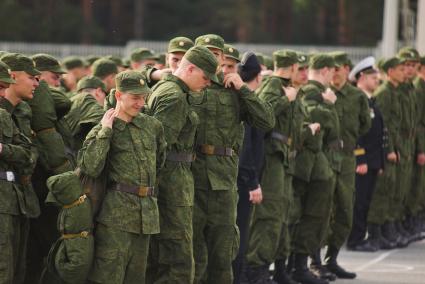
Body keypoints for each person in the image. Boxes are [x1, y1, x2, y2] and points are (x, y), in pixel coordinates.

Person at [191, 34, 275, 284]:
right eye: (207, 52)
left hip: (224, 179)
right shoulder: (187, 85)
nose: (213, 59)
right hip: (192, 176)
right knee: (193, 250)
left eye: (217, 55)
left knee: (224, 249)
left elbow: (266, 121)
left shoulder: (233, 89)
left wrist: (243, 88)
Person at [78, 70, 166, 283]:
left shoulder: (152, 126)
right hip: (115, 217)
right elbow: (90, 167)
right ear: (118, 95)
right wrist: (105, 131)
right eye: (135, 98)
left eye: (144, 97)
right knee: (108, 277)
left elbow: (159, 163)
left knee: (136, 277)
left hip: (146, 217)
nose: (141, 103)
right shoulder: (104, 128)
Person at [146, 45, 218, 284]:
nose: (208, 83)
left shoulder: (170, 90)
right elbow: (157, 147)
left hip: (173, 180)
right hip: (170, 184)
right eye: (205, 77)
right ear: (190, 68)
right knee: (177, 257)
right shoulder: (174, 97)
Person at [244, 49, 300, 284]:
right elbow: (262, 115)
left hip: (284, 157)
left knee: (282, 214)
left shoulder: (285, 86)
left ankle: (277, 267)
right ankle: (256, 268)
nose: (303, 73)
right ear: (292, 67)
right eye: (300, 68)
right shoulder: (273, 86)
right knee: (269, 215)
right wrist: (284, 99)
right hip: (272, 157)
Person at [318, 52, 370, 280]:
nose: (336, 71)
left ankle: (332, 258)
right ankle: (315, 260)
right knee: (321, 210)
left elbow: (364, 125)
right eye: (332, 68)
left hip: (347, 158)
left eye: (339, 67)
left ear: (347, 69)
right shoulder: (321, 93)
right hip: (326, 156)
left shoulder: (357, 96)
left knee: (345, 210)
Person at [291, 53, 338, 284]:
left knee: (313, 216)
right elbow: (316, 123)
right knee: (308, 216)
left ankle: (299, 266)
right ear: (326, 70)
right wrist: (328, 106)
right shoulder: (312, 92)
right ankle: (297, 266)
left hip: (316, 163)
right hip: (307, 165)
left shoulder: (309, 92)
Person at [0, 56, 39, 284]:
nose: (4, 94)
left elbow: (27, 154)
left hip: (14, 199)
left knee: (14, 269)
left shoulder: (7, 115)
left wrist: (4, 149)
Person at [232, 52, 267, 284]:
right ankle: (238, 277)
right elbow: (246, 149)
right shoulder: (246, 101)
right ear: (258, 76)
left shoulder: (245, 99)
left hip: (241, 178)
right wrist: (252, 182)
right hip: (242, 181)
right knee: (240, 233)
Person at [346, 56, 386, 251]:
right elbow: (356, 134)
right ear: (361, 76)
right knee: (359, 202)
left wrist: (379, 162)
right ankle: (355, 239)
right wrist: (360, 158)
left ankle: (360, 236)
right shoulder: (358, 99)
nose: (377, 80)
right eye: (373, 76)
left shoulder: (370, 101)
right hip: (362, 161)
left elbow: (379, 134)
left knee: (365, 201)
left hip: (372, 160)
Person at [368, 57, 409, 248]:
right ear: (390, 71)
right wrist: (389, 150)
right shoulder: (384, 93)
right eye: (401, 69)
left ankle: (387, 229)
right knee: (382, 192)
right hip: (387, 149)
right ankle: (376, 233)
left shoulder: (394, 92)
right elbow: (384, 127)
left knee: (392, 190)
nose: (404, 72)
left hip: (398, 146)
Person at [64, 75, 106, 152]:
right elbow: (104, 121)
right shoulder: (87, 99)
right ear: (98, 91)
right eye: (104, 94)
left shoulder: (71, 100)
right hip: (73, 155)